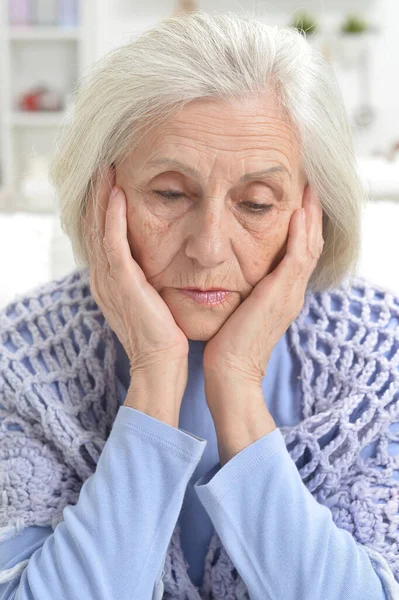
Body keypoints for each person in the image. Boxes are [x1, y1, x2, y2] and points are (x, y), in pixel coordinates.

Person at [1, 10, 398, 600]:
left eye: (257, 203)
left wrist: (236, 386)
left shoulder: (379, 355)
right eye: (169, 193)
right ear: (100, 198)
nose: (209, 249)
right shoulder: (21, 357)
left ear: (311, 215)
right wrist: (155, 376)